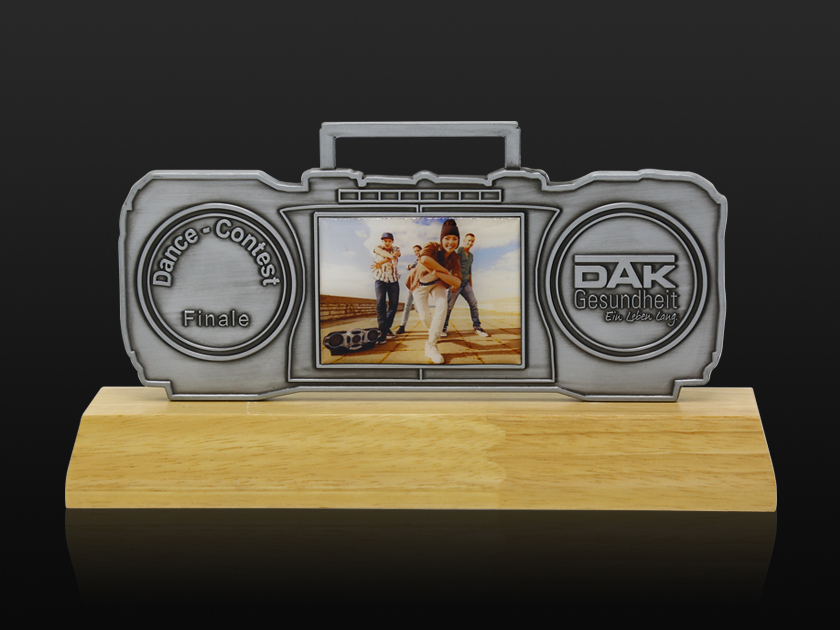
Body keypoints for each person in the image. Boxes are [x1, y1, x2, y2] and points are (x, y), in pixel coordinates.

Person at [407, 219, 462, 364]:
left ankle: (431, 344)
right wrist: (445, 271)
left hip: (438, 283)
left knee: (442, 304)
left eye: (455, 239)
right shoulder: (432, 246)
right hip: (420, 284)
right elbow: (425, 259)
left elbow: (457, 282)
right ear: (441, 239)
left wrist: (437, 273)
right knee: (425, 316)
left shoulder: (455, 258)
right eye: (447, 238)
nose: (451, 242)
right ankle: (434, 332)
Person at [442, 232, 490, 337]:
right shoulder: (459, 250)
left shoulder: (471, 256)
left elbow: (469, 271)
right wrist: (453, 283)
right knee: (449, 306)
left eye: (472, 241)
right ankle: (443, 328)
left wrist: (470, 285)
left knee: (473, 303)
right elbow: (454, 265)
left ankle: (477, 327)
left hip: (466, 284)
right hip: (456, 282)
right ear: (464, 241)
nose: (470, 243)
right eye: (468, 240)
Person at [371, 232, 401, 343]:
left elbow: (396, 254)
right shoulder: (377, 248)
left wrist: (382, 261)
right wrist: (391, 257)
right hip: (380, 280)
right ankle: (383, 333)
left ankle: (384, 329)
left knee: (393, 305)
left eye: (389, 241)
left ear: (392, 242)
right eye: (385, 241)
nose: (387, 243)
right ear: (382, 241)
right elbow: (381, 252)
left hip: (393, 280)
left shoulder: (396, 249)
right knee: (380, 303)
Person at [396, 245, 422, 335]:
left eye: (418, 250)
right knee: (407, 306)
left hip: (419, 286)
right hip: (411, 286)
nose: (416, 253)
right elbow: (409, 267)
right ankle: (402, 326)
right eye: (415, 251)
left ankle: (428, 318)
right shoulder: (415, 261)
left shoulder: (424, 260)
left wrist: (412, 266)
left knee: (418, 309)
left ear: (422, 250)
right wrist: (408, 266)